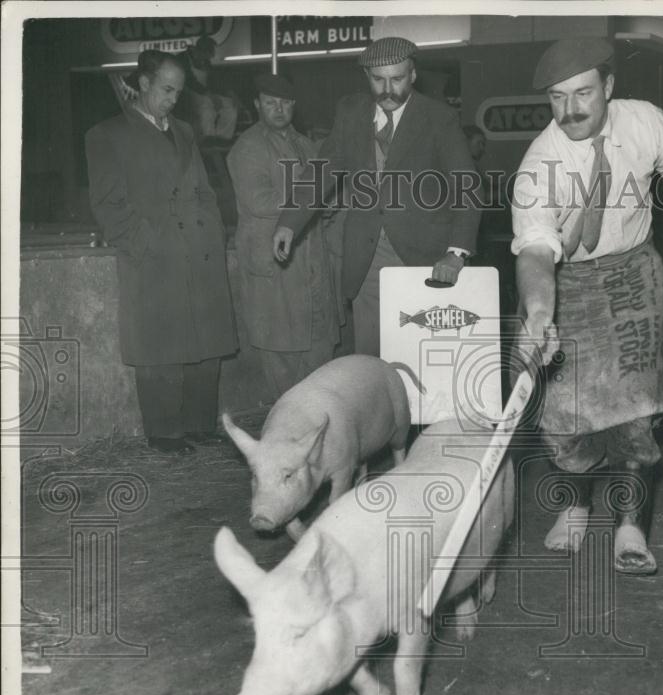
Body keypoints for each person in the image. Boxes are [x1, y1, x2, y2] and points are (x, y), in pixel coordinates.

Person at [511, 38, 663, 576]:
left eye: (582, 93)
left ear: (609, 88)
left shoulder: (643, 121)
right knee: (561, 416)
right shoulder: (539, 165)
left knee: (636, 409)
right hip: (567, 278)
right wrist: (537, 312)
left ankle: (630, 525)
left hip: (632, 272)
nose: (570, 110)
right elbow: (534, 249)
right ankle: (576, 506)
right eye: (557, 98)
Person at [273, 36, 480, 356]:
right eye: (377, 79)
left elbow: (467, 188)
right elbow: (322, 171)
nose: (387, 90)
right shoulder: (350, 112)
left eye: (397, 79)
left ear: (413, 75)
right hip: (366, 258)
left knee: (420, 356)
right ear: (365, 76)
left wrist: (456, 253)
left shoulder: (439, 118)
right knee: (372, 362)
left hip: (424, 257)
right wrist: (289, 222)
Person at [86, 50, 238, 453]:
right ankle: (165, 432)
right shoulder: (107, 134)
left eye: (179, 91)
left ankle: (200, 424)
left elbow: (205, 190)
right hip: (156, 255)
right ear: (143, 83)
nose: (174, 98)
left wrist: (215, 234)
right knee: (162, 346)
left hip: (199, 251)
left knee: (204, 342)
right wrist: (146, 244)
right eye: (167, 89)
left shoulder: (186, 131)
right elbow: (108, 205)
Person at [227, 73, 339, 400]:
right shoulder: (248, 147)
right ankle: (288, 434)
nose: (279, 108)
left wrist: (330, 200)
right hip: (275, 270)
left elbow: (326, 193)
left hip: (312, 265)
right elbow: (258, 200)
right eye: (270, 102)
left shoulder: (306, 145)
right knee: (282, 356)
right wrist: (312, 198)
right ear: (257, 104)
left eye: (286, 102)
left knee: (319, 353)